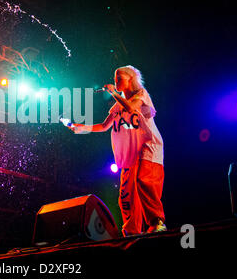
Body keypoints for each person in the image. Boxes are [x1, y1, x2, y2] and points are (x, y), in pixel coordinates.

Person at [71, 65, 166, 236]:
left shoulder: (141, 95)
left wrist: (114, 92)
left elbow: (131, 107)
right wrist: (81, 128)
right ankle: (131, 231)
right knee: (126, 192)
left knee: (144, 181)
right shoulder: (117, 106)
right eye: (115, 78)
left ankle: (156, 222)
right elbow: (103, 126)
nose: (115, 81)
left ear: (131, 79)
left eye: (119, 78)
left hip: (148, 145)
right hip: (130, 150)